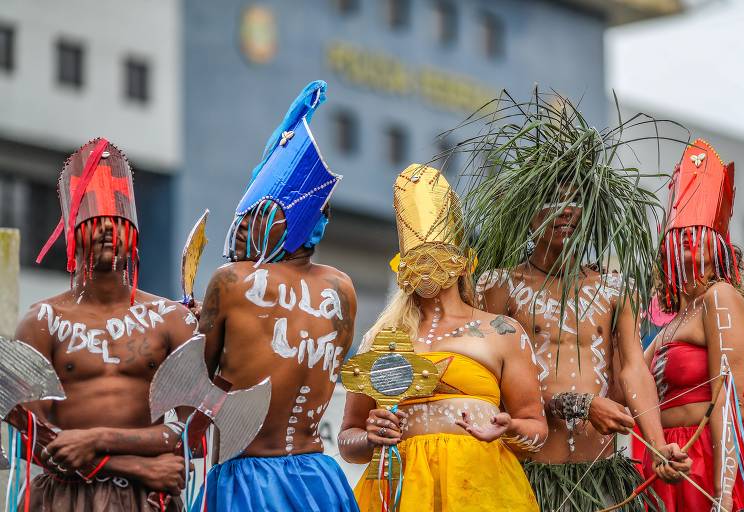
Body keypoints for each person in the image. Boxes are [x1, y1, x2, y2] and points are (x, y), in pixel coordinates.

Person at [464, 92, 691, 511]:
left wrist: (657, 446)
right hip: (526, 474)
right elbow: (487, 386)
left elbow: (632, 367)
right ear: (528, 213)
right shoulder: (498, 287)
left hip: (601, 475)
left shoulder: (615, 286)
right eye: (552, 200)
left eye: (575, 200)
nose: (565, 211)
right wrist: (577, 404)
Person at [339, 164, 546, 512]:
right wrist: (370, 437)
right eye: (418, 261)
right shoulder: (383, 339)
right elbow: (348, 440)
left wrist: (508, 428)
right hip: (397, 492)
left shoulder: (501, 332)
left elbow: (536, 429)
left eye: (438, 258)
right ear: (403, 268)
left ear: (464, 262)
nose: (429, 270)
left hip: (481, 491)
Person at [192, 80, 359, 512]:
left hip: (248, 479)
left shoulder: (232, 281)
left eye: (256, 212)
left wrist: (190, 328)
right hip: (319, 479)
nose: (245, 223)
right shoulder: (342, 288)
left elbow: (198, 388)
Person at [15, 138, 198, 511]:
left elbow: (192, 430)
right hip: (65, 497)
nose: (107, 231)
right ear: (72, 233)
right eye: (96, 222)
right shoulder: (41, 321)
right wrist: (133, 465)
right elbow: (29, 436)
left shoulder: (172, 320)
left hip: (147, 500)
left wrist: (95, 438)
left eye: (118, 222)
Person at [643, 139, 744, 512]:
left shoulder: (720, 298)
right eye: (680, 240)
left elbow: (726, 400)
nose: (689, 250)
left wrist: (724, 490)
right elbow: (628, 387)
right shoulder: (670, 323)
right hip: (669, 460)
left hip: (706, 460)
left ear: (718, 250)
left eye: (698, 240)